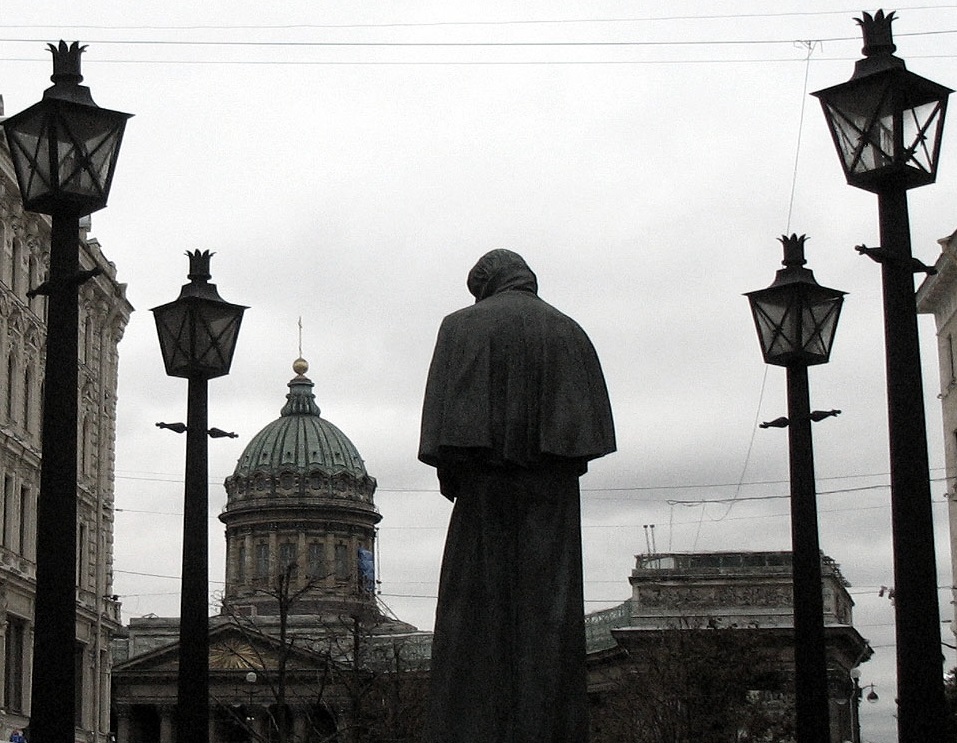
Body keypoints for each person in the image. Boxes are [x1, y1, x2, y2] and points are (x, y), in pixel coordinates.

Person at [419, 249, 616, 743]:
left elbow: (444, 435)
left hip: (482, 490)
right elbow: (583, 439)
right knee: (551, 620)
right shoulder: (570, 331)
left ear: (485, 285)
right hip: (553, 497)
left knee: (472, 624)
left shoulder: (459, 326)